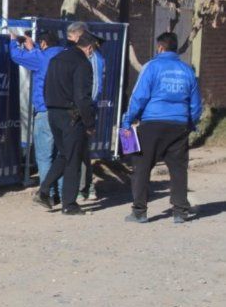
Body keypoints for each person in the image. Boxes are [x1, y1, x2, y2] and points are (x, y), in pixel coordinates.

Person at [122, 32, 202, 224]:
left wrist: (128, 120)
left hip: (152, 123)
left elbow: (139, 97)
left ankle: (139, 211)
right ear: (175, 48)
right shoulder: (187, 70)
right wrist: (191, 123)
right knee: (178, 169)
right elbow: (196, 104)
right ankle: (180, 211)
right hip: (179, 125)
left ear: (160, 48)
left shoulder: (151, 67)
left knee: (141, 166)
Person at [33, 32, 98, 215]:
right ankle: (69, 204)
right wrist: (89, 122)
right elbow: (82, 96)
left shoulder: (57, 59)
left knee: (64, 155)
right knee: (73, 159)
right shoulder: (82, 63)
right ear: (90, 47)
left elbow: (45, 86)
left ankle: (44, 190)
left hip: (53, 112)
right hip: (72, 115)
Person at [9, 29, 65, 204]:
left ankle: (47, 193)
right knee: (60, 155)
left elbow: (16, 56)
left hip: (45, 110)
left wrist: (14, 41)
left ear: (43, 43)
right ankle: (63, 194)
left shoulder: (41, 57)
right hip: (64, 112)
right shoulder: (65, 55)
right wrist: (32, 48)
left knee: (44, 155)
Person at [65, 22, 105, 201]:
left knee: (81, 151)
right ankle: (82, 187)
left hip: (84, 110)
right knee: (78, 151)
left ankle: (85, 189)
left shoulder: (94, 58)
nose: (69, 42)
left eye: (71, 38)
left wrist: (86, 110)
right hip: (75, 109)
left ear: (80, 36)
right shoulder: (73, 56)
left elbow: (94, 88)